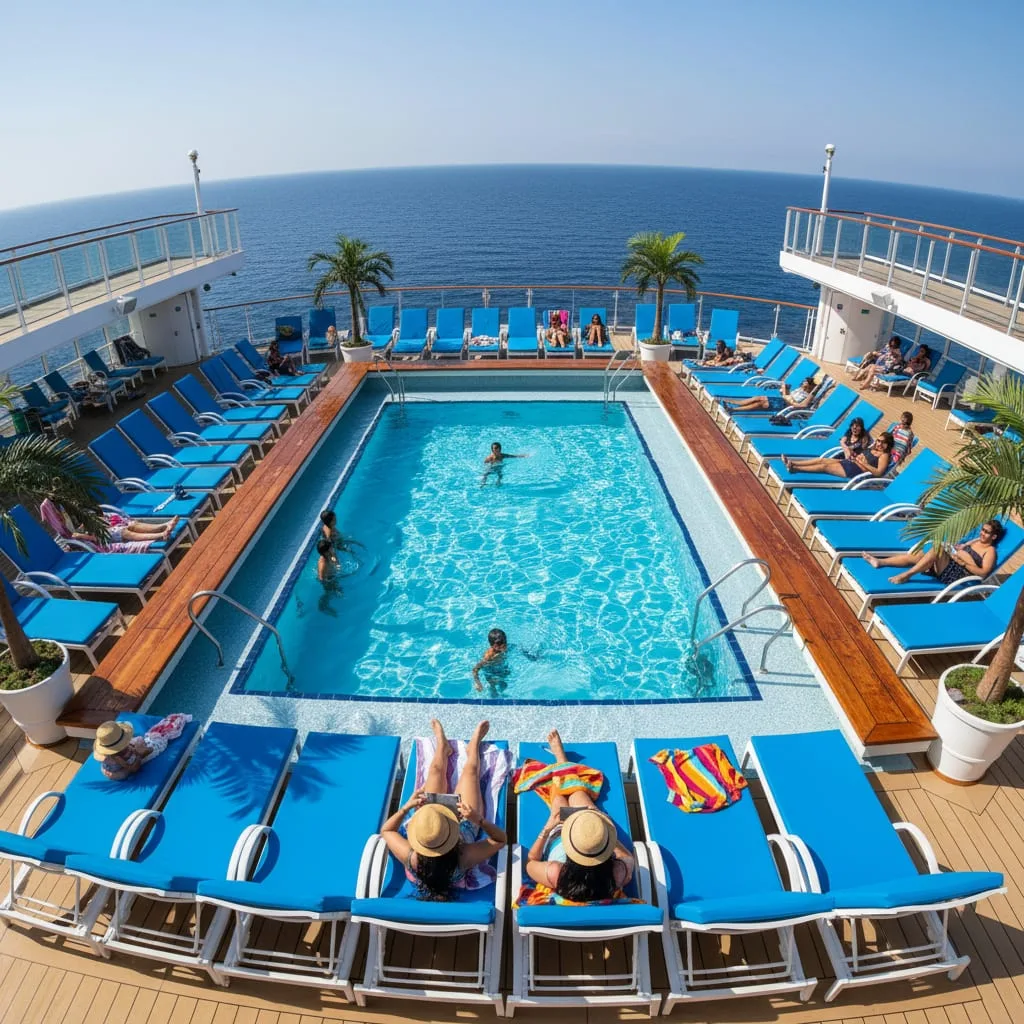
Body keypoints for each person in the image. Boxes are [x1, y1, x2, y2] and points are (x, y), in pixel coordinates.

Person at [380, 719, 507, 901]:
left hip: (430, 821)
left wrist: (406, 807)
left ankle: (442, 745)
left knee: (436, 770)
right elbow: (500, 839)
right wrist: (477, 819)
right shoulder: (463, 858)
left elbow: (387, 830)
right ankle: (473, 748)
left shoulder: (414, 859)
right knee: (470, 771)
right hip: (466, 824)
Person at [525, 729, 634, 902]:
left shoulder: (557, 873)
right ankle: (562, 762)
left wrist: (547, 828)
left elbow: (531, 861)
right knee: (578, 797)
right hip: (584, 830)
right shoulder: (615, 875)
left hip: (559, 832)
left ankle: (561, 761)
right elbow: (627, 857)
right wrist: (601, 832)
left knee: (560, 802)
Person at [864, 519, 1004, 585]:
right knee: (920, 556)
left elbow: (983, 573)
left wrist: (963, 562)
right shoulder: (976, 541)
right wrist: (955, 548)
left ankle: (907, 574)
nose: (982, 533)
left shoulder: (990, 551)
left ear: (994, 536)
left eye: (987, 532)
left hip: (958, 575)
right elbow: (961, 548)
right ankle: (880, 561)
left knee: (937, 549)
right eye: (983, 530)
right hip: (951, 564)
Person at [42, 498, 179, 546]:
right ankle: (160, 535)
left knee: (132, 524)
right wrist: (88, 532)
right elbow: (87, 537)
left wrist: (97, 520)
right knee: (125, 532)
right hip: (97, 536)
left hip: (99, 525)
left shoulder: (70, 512)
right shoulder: (71, 533)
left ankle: (164, 526)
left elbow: (92, 514)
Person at [782, 432, 895, 480]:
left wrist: (863, 463)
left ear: (888, 444)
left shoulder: (884, 455)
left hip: (856, 471)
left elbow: (879, 473)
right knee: (822, 460)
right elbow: (861, 456)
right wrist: (858, 457)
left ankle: (795, 469)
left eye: (883, 442)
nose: (879, 444)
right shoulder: (873, 448)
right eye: (878, 441)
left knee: (824, 467)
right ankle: (794, 463)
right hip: (851, 463)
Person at [720, 376, 817, 414]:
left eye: (806, 382)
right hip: (782, 400)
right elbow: (787, 395)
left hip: (785, 406)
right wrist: (785, 389)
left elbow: (803, 405)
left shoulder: (807, 395)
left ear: (810, 386)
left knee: (761, 403)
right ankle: (735, 402)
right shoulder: (799, 389)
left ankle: (733, 409)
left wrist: (793, 404)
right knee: (759, 397)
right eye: (804, 380)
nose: (804, 382)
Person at [473, 628, 509, 692]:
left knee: (504, 685)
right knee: (493, 688)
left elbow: (517, 647)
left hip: (500, 667)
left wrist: (527, 655)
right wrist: (477, 683)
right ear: (492, 646)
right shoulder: (489, 656)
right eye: (500, 644)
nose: (504, 645)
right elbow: (475, 669)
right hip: (490, 671)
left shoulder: (505, 647)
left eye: (505, 642)